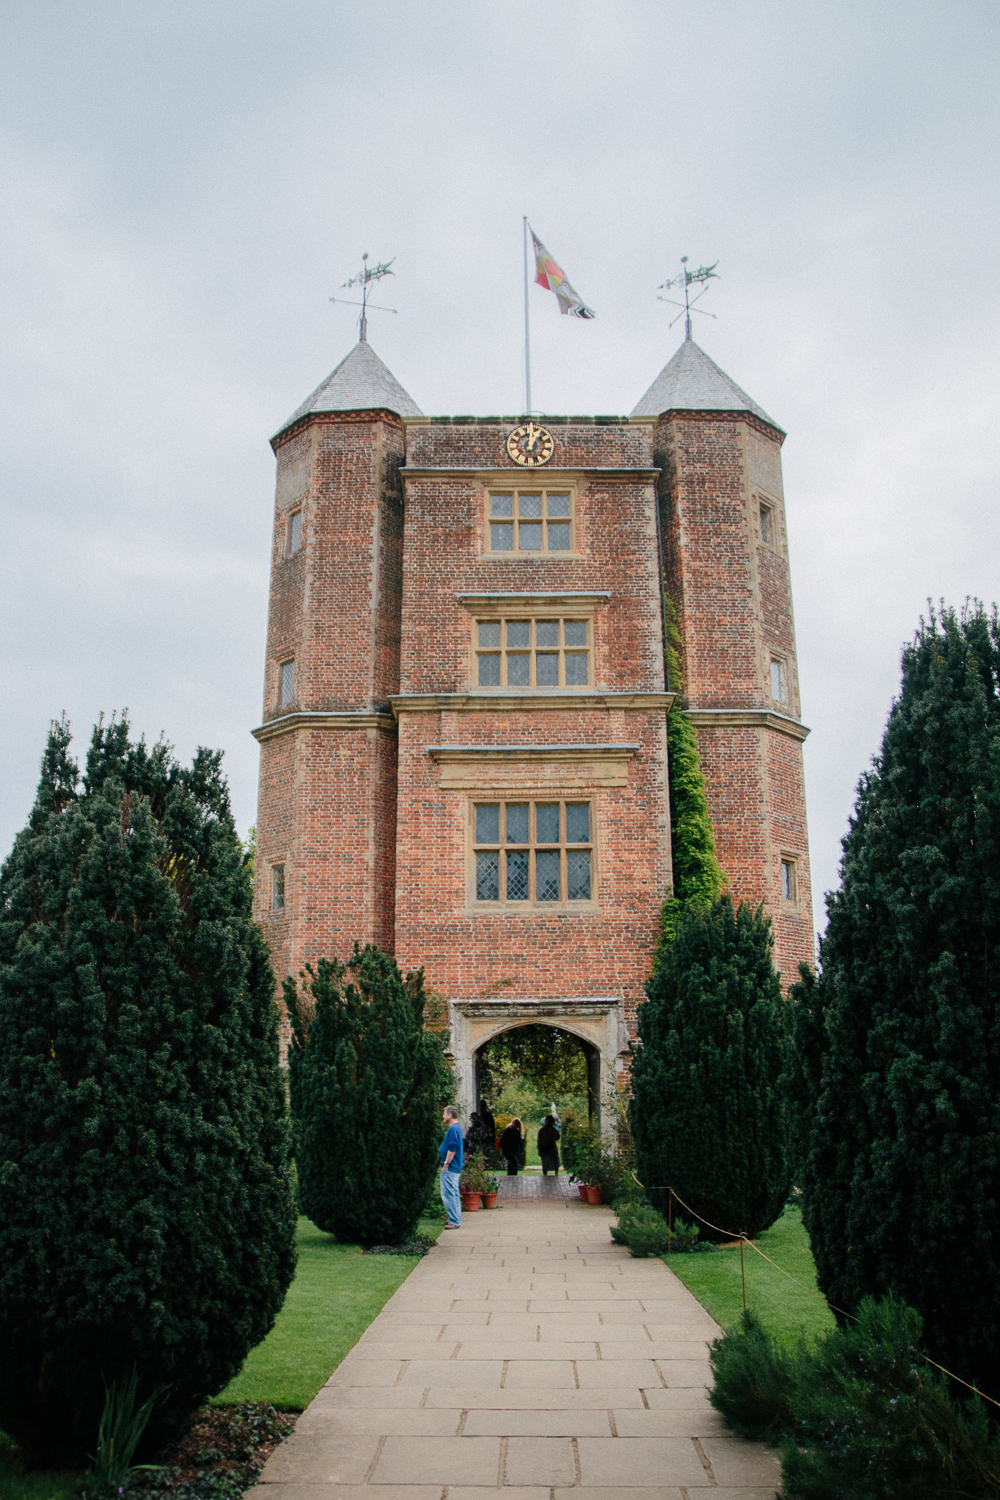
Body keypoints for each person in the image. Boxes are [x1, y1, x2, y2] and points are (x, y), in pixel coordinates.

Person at [439, 1105, 464, 1228]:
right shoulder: (456, 1128)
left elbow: (452, 1148)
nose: (443, 1116)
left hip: (450, 1167)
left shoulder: (453, 1129)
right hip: (453, 1167)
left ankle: (454, 1221)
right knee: (453, 1193)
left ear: (450, 1115)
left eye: (444, 1114)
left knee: (449, 1193)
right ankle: (454, 1219)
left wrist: (446, 1164)